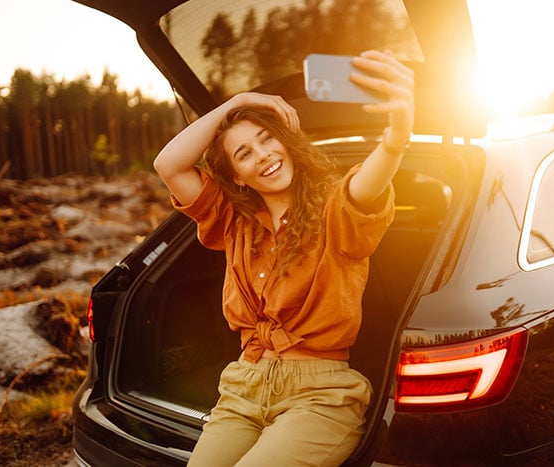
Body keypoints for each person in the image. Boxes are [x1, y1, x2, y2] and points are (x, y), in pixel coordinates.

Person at [153, 50, 414, 466]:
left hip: (322, 396)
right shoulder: (234, 221)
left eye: (266, 139)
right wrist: (237, 102)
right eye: (244, 154)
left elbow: (366, 186)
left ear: (286, 141)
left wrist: (396, 137)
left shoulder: (334, 209)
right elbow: (168, 164)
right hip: (243, 386)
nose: (264, 156)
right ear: (237, 175)